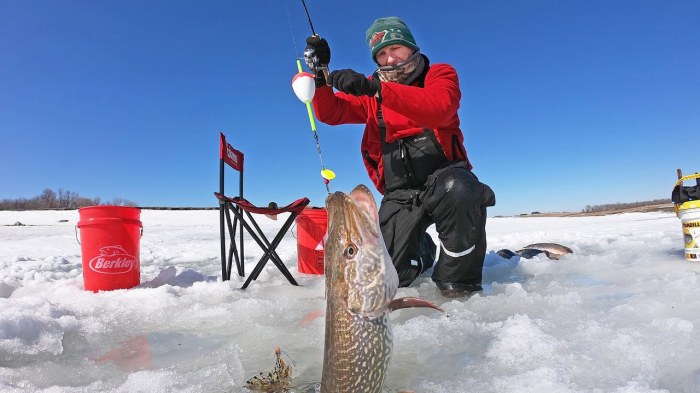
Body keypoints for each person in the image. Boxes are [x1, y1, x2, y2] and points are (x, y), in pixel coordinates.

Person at [305, 17, 495, 298]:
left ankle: (459, 283)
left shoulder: (439, 74)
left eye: (395, 48)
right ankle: (423, 251)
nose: (389, 57)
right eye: (381, 53)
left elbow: (439, 108)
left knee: (461, 190)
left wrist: (377, 89)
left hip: (445, 179)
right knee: (385, 279)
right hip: (400, 193)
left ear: (410, 47)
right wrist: (321, 76)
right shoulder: (372, 92)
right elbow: (331, 112)